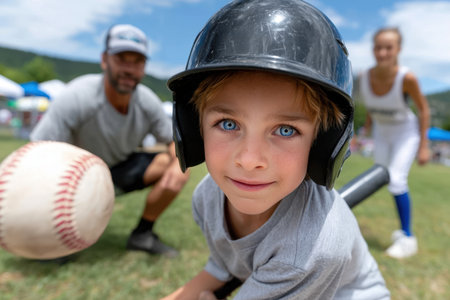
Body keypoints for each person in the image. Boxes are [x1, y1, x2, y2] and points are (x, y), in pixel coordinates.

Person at [163, 1, 390, 299]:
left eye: (286, 130)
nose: (249, 160)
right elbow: (222, 267)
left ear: (323, 145)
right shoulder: (207, 198)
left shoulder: (313, 250)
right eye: (228, 124)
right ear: (194, 128)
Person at [30, 24, 189, 257]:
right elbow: (39, 150)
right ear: (105, 60)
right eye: (121, 59)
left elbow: (172, 141)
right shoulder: (78, 95)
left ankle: (142, 235)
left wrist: (178, 167)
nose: (129, 68)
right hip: (75, 179)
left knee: (172, 162)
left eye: (137, 62)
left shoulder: (147, 101)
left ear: (144, 67)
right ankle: (54, 235)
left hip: (118, 172)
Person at [359, 27, 430, 259]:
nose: (382, 53)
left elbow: (423, 110)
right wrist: (366, 129)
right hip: (382, 132)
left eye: (388, 48)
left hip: (405, 133)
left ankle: (408, 238)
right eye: (378, 47)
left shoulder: (406, 78)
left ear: (398, 50)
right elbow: (372, 106)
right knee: (378, 178)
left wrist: (423, 146)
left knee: (397, 180)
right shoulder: (364, 77)